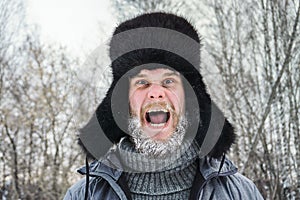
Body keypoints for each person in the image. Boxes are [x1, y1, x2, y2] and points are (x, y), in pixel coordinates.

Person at [64, 12, 264, 200]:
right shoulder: (83, 195)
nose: (155, 92)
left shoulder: (241, 193)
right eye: (142, 82)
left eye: (168, 81)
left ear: (190, 98)